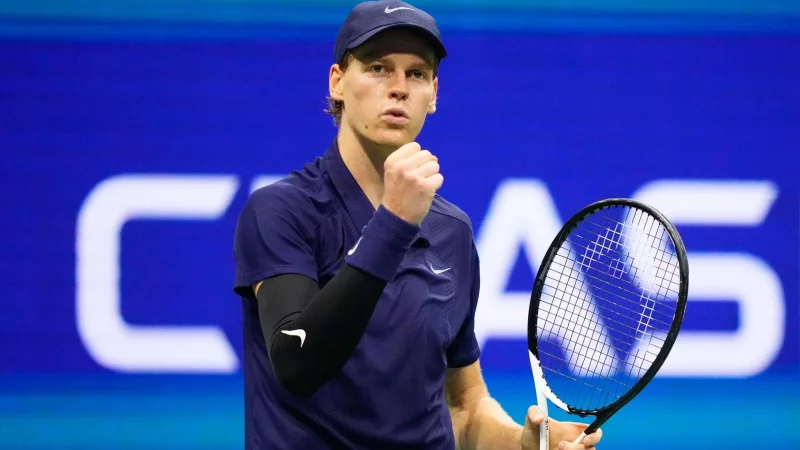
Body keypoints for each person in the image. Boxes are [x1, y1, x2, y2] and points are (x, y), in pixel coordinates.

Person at [232, 1, 604, 448]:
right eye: (377, 67)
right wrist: (393, 223)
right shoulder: (281, 210)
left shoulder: (453, 232)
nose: (398, 88)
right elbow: (296, 365)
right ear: (337, 83)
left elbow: (463, 408)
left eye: (417, 74)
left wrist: (525, 443)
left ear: (434, 94)